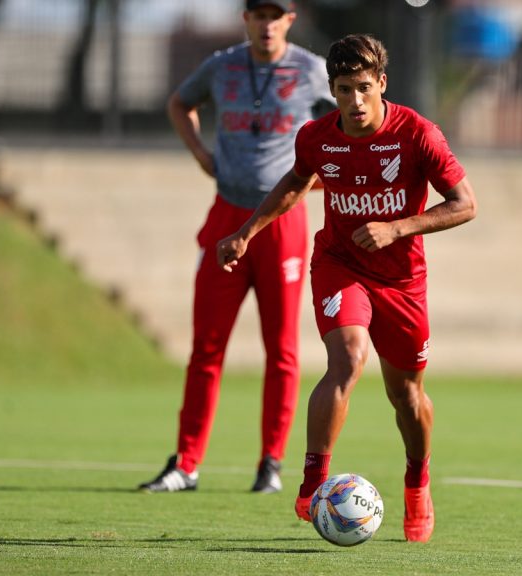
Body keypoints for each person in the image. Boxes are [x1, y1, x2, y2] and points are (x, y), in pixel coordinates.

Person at [216, 33, 477, 542]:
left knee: (407, 395)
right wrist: (246, 233)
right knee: (348, 360)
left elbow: (466, 203)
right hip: (340, 265)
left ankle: (417, 480)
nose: (355, 101)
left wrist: (398, 228)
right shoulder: (316, 137)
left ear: (382, 83)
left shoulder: (418, 134)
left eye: (363, 88)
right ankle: (313, 481)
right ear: (332, 90)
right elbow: (296, 183)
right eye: (343, 89)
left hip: (402, 280)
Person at [139, 0, 335, 494]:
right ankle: (186, 462)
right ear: (246, 19)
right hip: (226, 215)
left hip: (283, 224)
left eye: (276, 15)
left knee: (282, 349)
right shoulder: (221, 66)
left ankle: (271, 463)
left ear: (290, 19)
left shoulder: (312, 71)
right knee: (206, 346)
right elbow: (179, 104)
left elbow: (350, 127)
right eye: (258, 14)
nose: (267, 24)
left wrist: (315, 181)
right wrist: (202, 154)